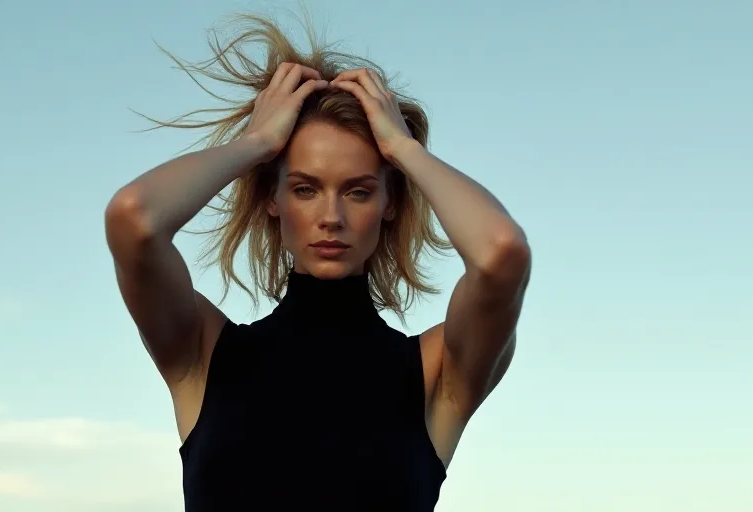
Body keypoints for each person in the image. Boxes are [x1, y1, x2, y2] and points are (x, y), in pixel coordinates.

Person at [104, 12, 531, 512]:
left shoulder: (438, 374)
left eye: (359, 191)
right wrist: (257, 144)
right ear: (273, 198)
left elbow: (500, 250)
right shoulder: (203, 353)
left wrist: (402, 149)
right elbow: (135, 219)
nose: (331, 217)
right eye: (305, 189)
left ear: (388, 203)